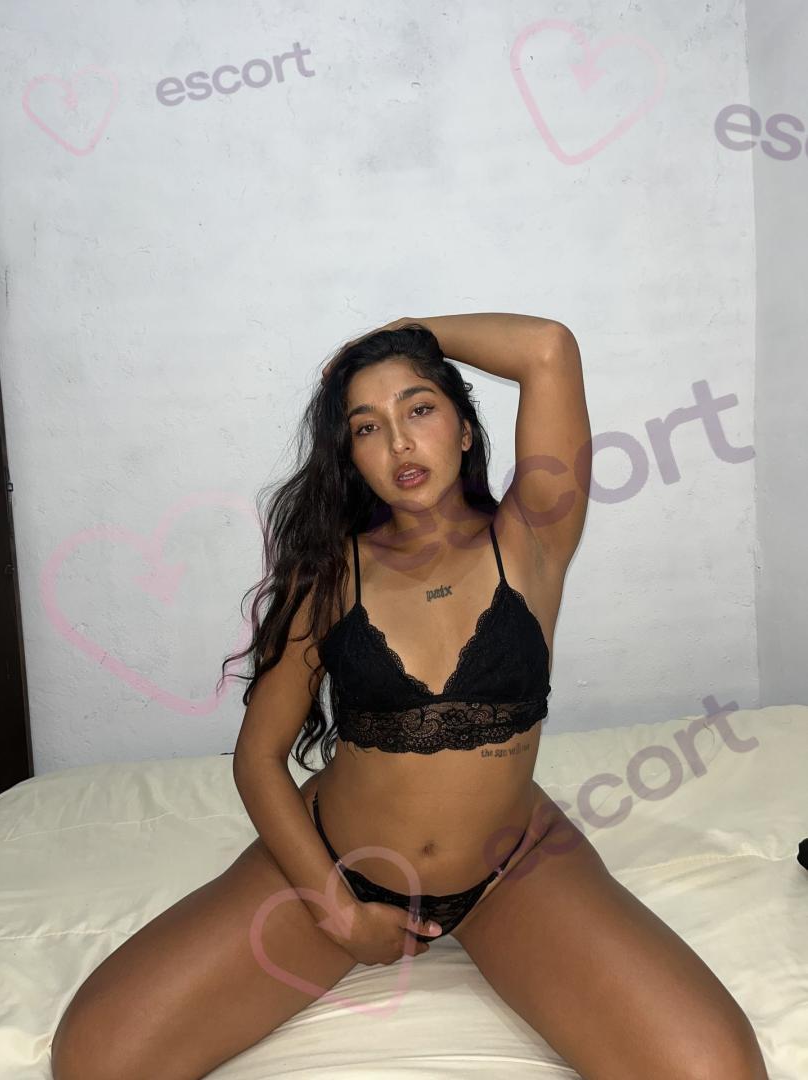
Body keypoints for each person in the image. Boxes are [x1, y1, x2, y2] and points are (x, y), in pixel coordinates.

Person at [50, 314, 769, 1080]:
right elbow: (259, 758)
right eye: (368, 427)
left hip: (509, 871)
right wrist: (338, 912)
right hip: (342, 862)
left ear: (464, 429)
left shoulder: (533, 537)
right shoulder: (329, 577)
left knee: (718, 1072)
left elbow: (547, 349)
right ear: (352, 457)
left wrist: (404, 333)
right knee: (94, 1058)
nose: (398, 442)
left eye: (419, 409)